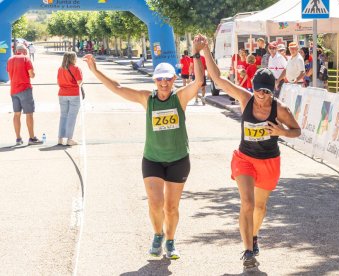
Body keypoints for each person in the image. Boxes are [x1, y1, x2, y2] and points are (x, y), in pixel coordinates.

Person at [83, 36, 205, 259]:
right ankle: (158, 234)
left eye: (167, 79)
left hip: (178, 159)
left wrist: (197, 54)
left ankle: (170, 241)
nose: (164, 83)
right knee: (156, 203)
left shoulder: (180, 98)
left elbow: (198, 82)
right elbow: (118, 88)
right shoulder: (147, 99)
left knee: (171, 208)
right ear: (155, 81)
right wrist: (95, 70)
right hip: (153, 159)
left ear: (174, 78)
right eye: (160, 80)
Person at [198, 34, 301, 270]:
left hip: (269, 161)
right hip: (245, 159)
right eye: (258, 92)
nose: (261, 97)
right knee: (247, 203)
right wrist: (205, 51)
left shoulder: (280, 109)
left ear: (272, 91)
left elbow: (297, 131)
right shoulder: (245, 99)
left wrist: (281, 132)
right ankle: (247, 251)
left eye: (265, 92)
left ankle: (253, 236)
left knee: (260, 208)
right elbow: (217, 79)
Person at [6, 44, 43, 145]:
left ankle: (18, 139)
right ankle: (31, 138)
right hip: (25, 89)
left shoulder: (10, 59)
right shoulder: (25, 58)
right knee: (29, 114)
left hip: (13, 90)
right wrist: (33, 74)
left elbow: (10, 75)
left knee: (16, 114)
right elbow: (31, 74)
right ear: (24, 51)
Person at [57, 52, 83, 146]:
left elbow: (58, 82)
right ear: (73, 58)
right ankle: (69, 139)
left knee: (63, 115)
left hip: (62, 93)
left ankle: (60, 138)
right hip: (73, 94)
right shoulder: (76, 68)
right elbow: (79, 82)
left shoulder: (60, 69)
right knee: (72, 116)